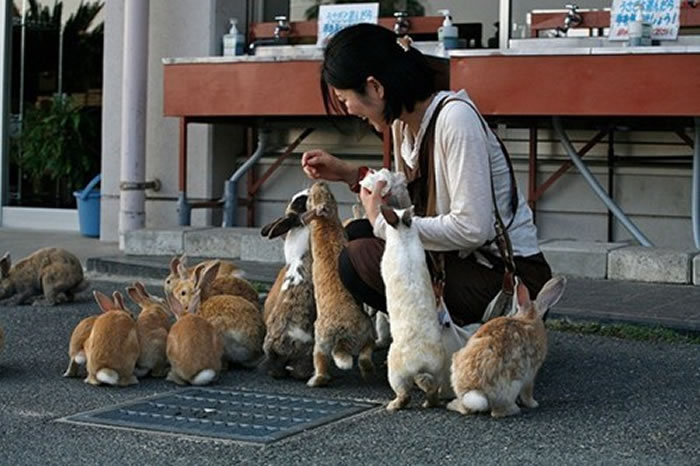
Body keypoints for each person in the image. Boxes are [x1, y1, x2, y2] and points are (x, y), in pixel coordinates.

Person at [301, 23, 551, 326]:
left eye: (345, 99)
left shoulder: (456, 120)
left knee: (360, 258)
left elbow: (473, 229)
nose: (350, 109)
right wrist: (351, 175)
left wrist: (384, 224)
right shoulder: (402, 125)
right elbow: (414, 201)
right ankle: (438, 337)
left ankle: (447, 339)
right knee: (355, 233)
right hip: (462, 264)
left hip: (509, 280)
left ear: (375, 88)